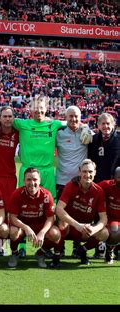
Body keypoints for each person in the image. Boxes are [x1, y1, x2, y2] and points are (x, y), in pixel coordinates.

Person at [0, 96, 92, 199]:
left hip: (47, 172)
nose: (39, 111)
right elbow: (2, 118)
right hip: (27, 170)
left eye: (41, 108)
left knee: (49, 202)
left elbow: (72, 121)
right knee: (24, 202)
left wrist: (85, 126)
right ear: (31, 110)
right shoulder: (22, 124)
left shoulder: (54, 124)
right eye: (35, 108)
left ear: (46, 109)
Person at [52, 159, 109, 267]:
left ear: (95, 173)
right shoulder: (70, 186)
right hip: (70, 227)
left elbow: (103, 219)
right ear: (79, 172)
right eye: (84, 171)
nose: (87, 175)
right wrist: (77, 225)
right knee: (62, 224)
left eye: (90, 172)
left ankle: (82, 250)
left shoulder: (99, 191)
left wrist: (94, 229)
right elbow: (59, 209)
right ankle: (57, 256)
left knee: (104, 233)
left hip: (85, 229)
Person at [7, 168, 60, 268]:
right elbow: (12, 217)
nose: (32, 183)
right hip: (22, 226)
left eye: (35, 179)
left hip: (40, 226)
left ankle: (40, 253)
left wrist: (43, 232)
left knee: (55, 234)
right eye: (29, 179)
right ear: (24, 181)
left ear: (40, 180)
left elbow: (50, 218)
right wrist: (26, 227)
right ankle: (14, 253)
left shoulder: (46, 195)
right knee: (13, 231)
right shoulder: (17, 194)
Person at [55, 105, 89, 257]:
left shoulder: (86, 133)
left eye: (76, 116)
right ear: (65, 117)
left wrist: (87, 127)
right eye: (70, 116)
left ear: (80, 117)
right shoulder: (59, 133)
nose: (74, 119)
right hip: (62, 180)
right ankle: (59, 246)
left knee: (79, 214)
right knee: (61, 215)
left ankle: (77, 246)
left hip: (80, 183)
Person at [88, 112, 119, 259]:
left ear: (113, 125)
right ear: (98, 125)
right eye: (103, 123)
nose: (106, 126)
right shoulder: (93, 140)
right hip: (98, 185)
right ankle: (99, 248)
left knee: (116, 215)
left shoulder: (119, 140)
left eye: (108, 123)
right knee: (98, 216)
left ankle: (115, 249)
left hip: (115, 185)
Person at [98, 167, 120, 264]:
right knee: (115, 231)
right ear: (114, 177)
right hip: (113, 218)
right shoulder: (106, 185)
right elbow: (92, 187)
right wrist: (78, 181)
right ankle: (110, 250)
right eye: (119, 177)